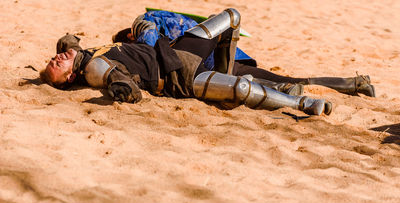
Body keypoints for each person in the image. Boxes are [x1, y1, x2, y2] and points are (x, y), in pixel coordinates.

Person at [40, 8, 371, 116]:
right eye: (57, 64)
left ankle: (347, 84)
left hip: (189, 53)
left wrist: (151, 35)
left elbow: (69, 45)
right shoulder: (95, 68)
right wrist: (122, 88)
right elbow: (123, 85)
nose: (56, 58)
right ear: (70, 78)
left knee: (231, 16)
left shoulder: (94, 51)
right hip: (180, 77)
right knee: (245, 86)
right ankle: (302, 102)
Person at [112, 9, 376, 98]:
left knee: (255, 84)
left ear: (129, 36)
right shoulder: (163, 20)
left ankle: (282, 89)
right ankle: (354, 84)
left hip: (203, 61)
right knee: (288, 81)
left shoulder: (145, 21)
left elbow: (150, 39)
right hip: (226, 56)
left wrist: (147, 47)